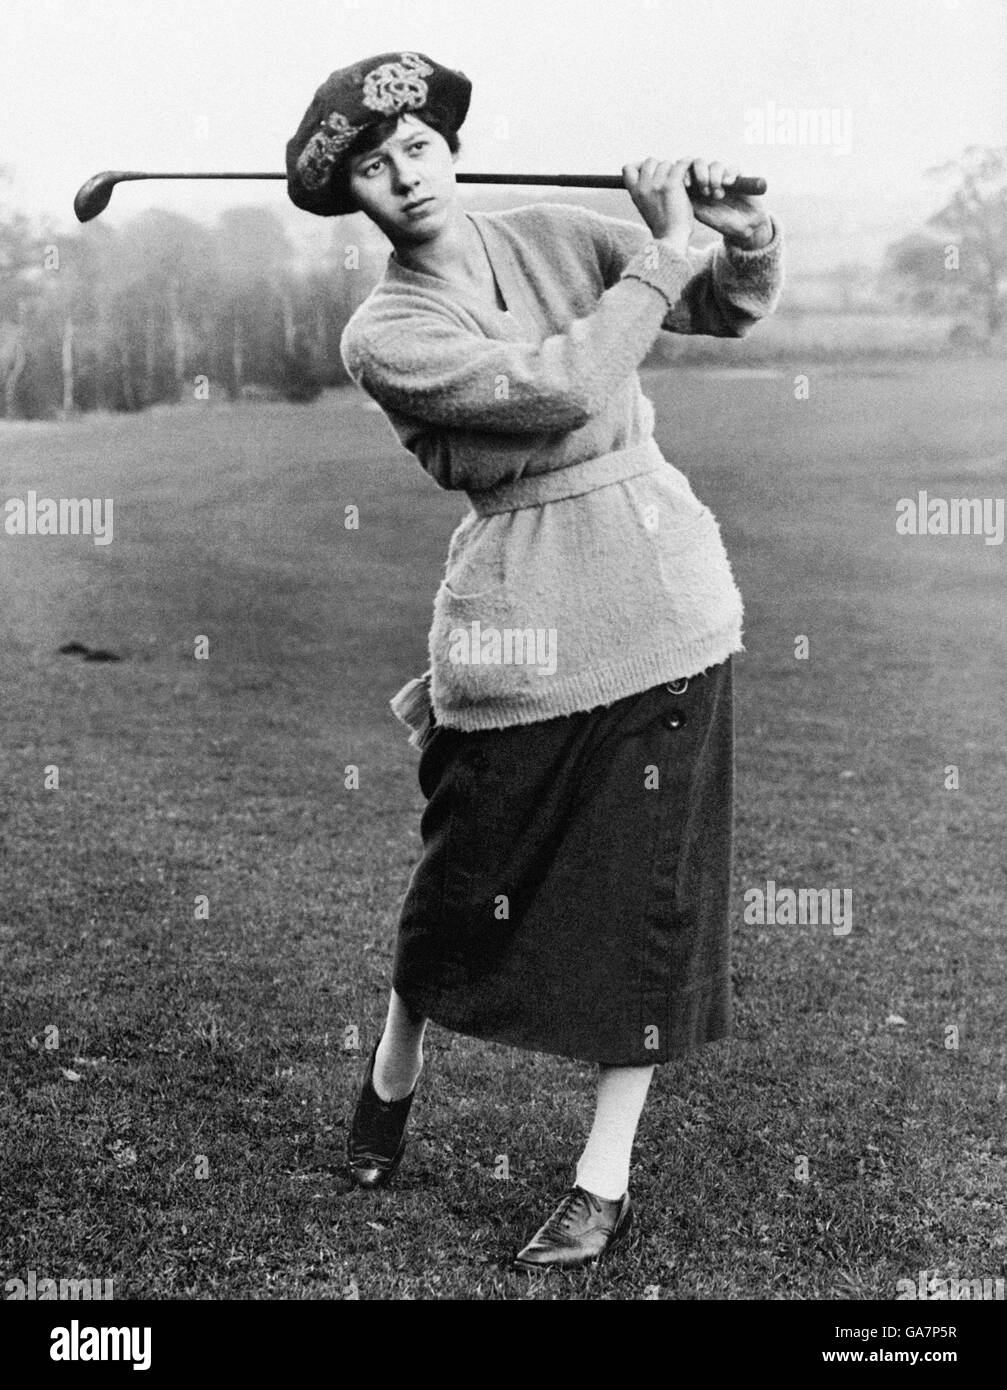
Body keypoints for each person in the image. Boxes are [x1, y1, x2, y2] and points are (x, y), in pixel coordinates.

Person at [286, 51, 784, 1271]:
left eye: (413, 148)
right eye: (369, 166)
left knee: (647, 902)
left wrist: (737, 232)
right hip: (515, 620)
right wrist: (662, 254)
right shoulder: (384, 330)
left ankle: (597, 1182)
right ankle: (392, 1071)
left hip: (664, 597)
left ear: (446, 146)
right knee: (460, 887)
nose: (401, 177)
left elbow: (718, 303)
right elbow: (559, 389)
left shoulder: (556, 232)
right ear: (350, 196)